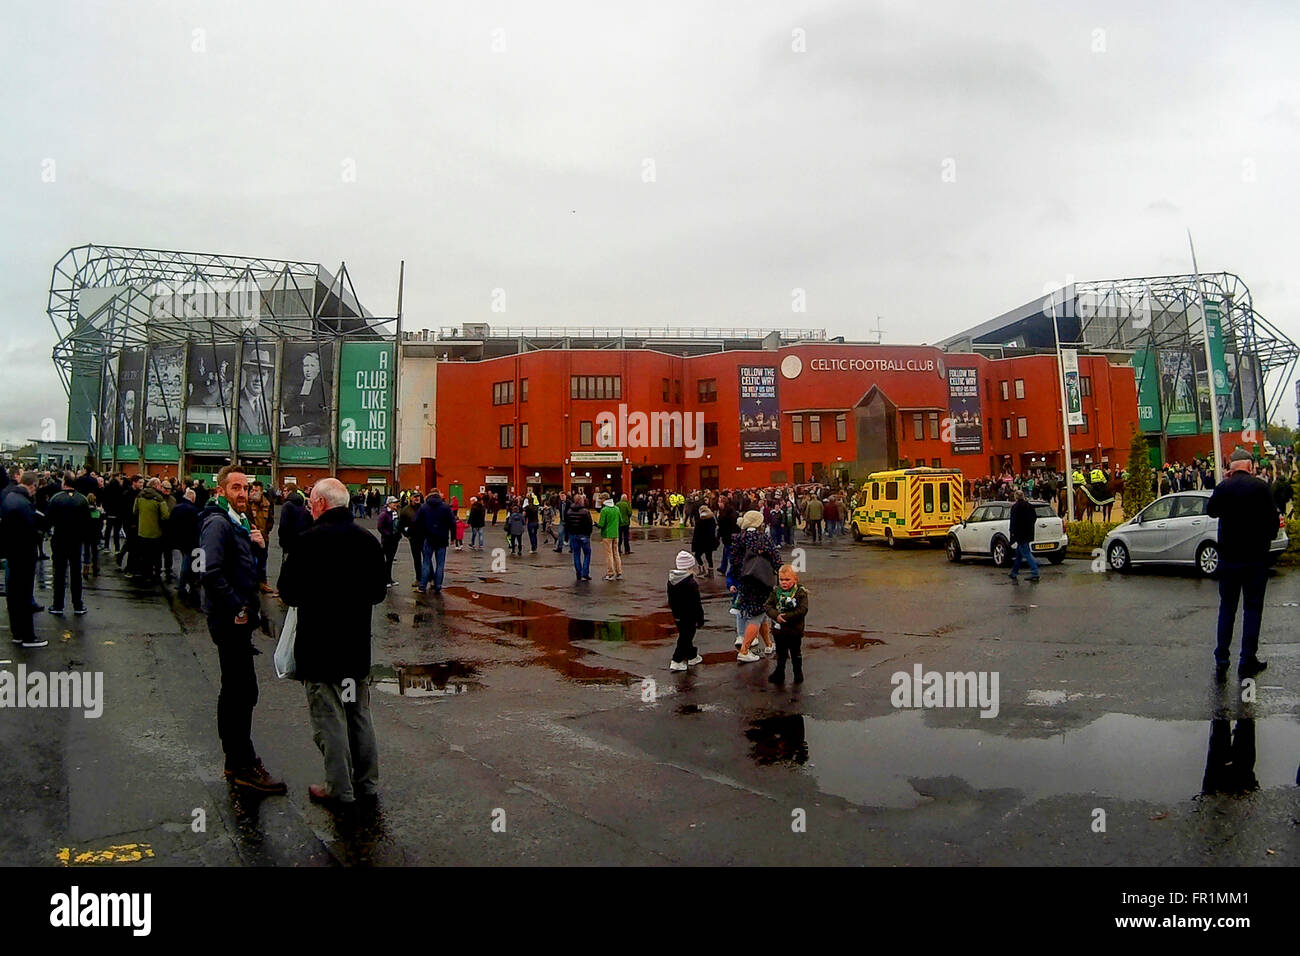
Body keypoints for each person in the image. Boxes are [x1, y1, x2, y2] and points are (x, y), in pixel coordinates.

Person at [277, 478, 387, 808]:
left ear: (322, 504)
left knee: (329, 718)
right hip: (354, 648)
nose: (310, 508)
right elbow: (378, 593)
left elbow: (288, 593)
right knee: (358, 715)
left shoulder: (307, 542)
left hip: (319, 648)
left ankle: (338, 788)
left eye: (312, 503)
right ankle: (366, 782)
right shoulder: (368, 541)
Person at [198, 464, 286, 794]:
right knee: (239, 692)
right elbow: (209, 570)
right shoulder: (217, 523)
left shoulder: (238, 522)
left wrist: (257, 546)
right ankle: (240, 763)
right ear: (221, 491)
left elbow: (239, 565)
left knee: (240, 690)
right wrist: (237, 605)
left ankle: (238, 760)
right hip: (229, 619)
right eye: (235, 488)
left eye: (245, 488)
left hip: (239, 619)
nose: (243, 494)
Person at [1207, 448, 1278, 679]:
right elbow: (1274, 526)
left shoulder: (1223, 488)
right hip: (1255, 561)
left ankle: (1222, 658)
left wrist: (1224, 484)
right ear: (1250, 466)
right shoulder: (1261, 488)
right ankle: (1247, 659)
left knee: (1227, 609)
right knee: (1252, 610)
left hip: (1228, 560)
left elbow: (1211, 511)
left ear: (1231, 467)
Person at [729, 510, 779, 662]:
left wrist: (737, 580)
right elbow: (775, 558)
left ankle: (769, 644)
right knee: (756, 616)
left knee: (761, 614)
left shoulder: (738, 538)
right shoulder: (763, 538)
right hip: (762, 581)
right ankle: (744, 651)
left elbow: (734, 561)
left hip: (745, 581)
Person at [2, 471, 45, 647]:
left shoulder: (8, 497)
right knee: (24, 595)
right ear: (32, 486)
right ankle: (28, 636)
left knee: (13, 595)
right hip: (24, 555)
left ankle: (17, 633)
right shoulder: (24, 504)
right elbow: (31, 531)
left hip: (11, 554)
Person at [46, 471, 90, 616]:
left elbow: (48, 521)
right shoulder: (83, 500)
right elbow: (86, 523)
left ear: (64, 482)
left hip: (59, 540)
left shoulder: (56, 499)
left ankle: (58, 605)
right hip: (76, 542)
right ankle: (78, 604)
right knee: (75, 573)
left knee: (59, 573)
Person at [764, 564, 809, 684]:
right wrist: (775, 615)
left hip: (794, 630)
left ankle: (798, 673)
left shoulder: (800, 593)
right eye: (781, 579)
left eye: (787, 580)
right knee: (781, 654)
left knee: (795, 653)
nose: (784, 582)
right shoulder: (776, 592)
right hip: (779, 631)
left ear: (795, 579)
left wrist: (786, 617)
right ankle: (779, 673)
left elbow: (802, 610)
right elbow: (768, 606)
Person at [667, 550, 705, 672]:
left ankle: (692, 656)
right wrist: (700, 618)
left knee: (685, 635)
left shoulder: (672, 581)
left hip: (678, 614)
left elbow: (671, 599)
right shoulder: (690, 583)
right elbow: (696, 603)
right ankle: (676, 660)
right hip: (689, 615)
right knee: (686, 637)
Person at [132, 477, 171, 583]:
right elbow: (165, 516)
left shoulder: (139, 496)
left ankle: (145, 573)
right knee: (156, 555)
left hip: (142, 530)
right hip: (155, 532)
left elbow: (134, 511)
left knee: (144, 555)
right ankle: (156, 574)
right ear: (155, 485)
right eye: (159, 485)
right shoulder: (159, 498)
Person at [416, 490, 454, 594]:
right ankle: (438, 586)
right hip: (442, 538)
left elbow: (417, 522)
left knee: (426, 562)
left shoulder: (424, 507)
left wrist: (421, 534)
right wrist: (453, 537)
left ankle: (422, 586)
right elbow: (452, 522)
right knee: (440, 564)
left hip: (428, 538)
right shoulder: (445, 507)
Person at [170, 488, 202, 602]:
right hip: (190, 541)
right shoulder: (194, 510)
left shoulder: (176, 508)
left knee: (185, 561)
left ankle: (183, 585)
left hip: (178, 540)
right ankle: (183, 586)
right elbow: (196, 528)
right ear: (193, 498)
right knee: (187, 563)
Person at [247, 481, 275, 594]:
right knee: (249, 562)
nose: (254, 492)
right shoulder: (247, 504)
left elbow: (271, 520)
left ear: (261, 491)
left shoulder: (268, 503)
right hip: (250, 537)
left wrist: (265, 532)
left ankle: (262, 583)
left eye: (256, 490)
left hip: (263, 538)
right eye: (252, 490)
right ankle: (250, 584)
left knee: (262, 562)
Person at [1007, 490, 1040, 583]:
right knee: (1019, 554)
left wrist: (1012, 533)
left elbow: (1013, 522)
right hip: (1028, 533)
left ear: (1016, 497)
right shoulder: (1029, 506)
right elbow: (1034, 517)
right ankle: (1014, 572)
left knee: (1026, 553)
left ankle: (1035, 573)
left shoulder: (1015, 507)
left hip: (1020, 534)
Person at [278, 487, 313, 559]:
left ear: (290, 491)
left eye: (285, 491)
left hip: (289, 542)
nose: (283, 493)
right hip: (301, 541)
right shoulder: (302, 503)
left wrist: (283, 542)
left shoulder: (287, 505)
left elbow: (283, 525)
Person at [565, 494, 593, 582]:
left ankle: (578, 573)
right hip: (584, 535)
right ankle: (585, 573)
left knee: (576, 554)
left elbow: (567, 524)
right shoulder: (585, 512)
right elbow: (589, 524)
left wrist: (570, 533)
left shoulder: (569, 511)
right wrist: (588, 534)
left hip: (573, 534)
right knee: (587, 554)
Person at [398, 491, 424, 585]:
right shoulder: (405, 510)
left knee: (427, 559)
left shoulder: (424, 508)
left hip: (424, 537)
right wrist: (406, 534)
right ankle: (419, 578)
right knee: (417, 559)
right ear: (411, 498)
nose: (417, 498)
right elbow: (400, 524)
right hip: (413, 538)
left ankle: (431, 578)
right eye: (415, 497)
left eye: (418, 496)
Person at [597, 495, 623, 581]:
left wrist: (596, 524)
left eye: (601, 499)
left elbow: (601, 524)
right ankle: (619, 572)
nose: (600, 501)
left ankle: (610, 572)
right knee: (616, 553)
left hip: (607, 534)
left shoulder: (604, 510)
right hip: (616, 533)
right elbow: (621, 521)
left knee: (609, 554)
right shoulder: (617, 508)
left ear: (604, 499)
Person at [377, 496, 401, 586]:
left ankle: (389, 579)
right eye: (394, 503)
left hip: (395, 540)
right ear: (389, 504)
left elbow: (398, 525)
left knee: (390, 560)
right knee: (386, 560)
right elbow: (380, 527)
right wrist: (388, 534)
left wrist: (398, 535)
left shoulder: (395, 513)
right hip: (387, 540)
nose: (396, 504)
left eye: (396, 502)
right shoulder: (384, 515)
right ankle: (385, 580)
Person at [692, 505, 718, 575]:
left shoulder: (699, 520)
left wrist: (694, 543)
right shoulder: (712, 519)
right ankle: (711, 571)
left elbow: (696, 533)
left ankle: (702, 568)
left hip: (701, 541)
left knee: (697, 555)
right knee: (709, 556)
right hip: (710, 541)